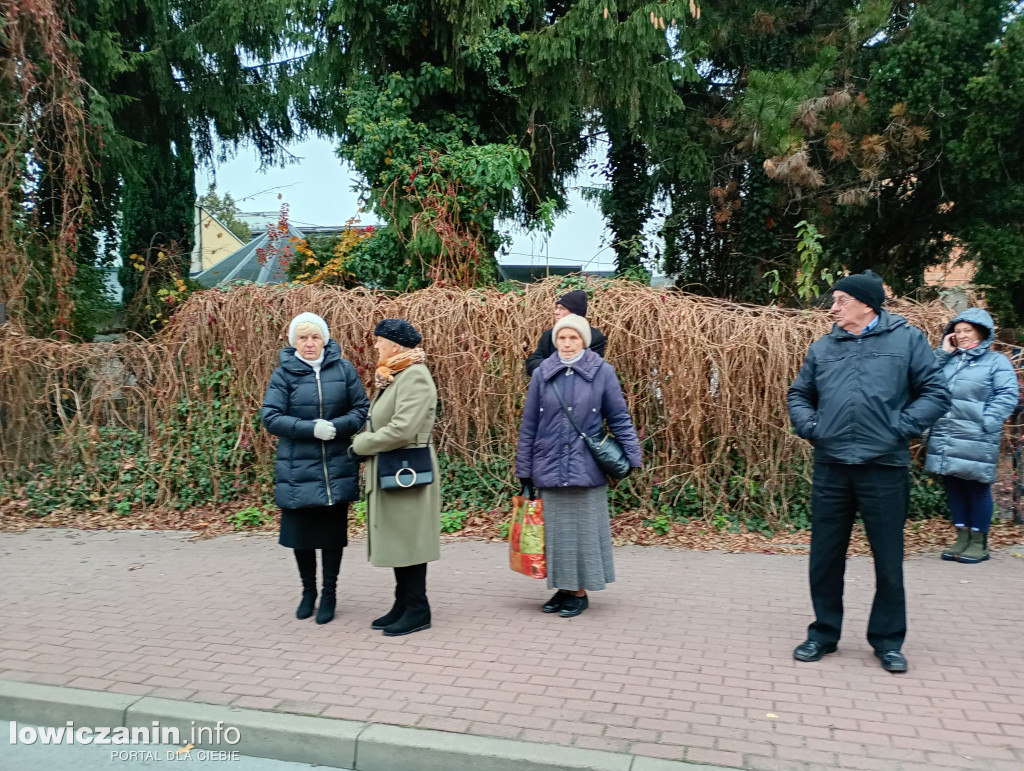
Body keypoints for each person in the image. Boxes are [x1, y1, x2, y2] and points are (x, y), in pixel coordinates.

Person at [787, 271, 950, 673]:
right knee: (825, 557)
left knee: (888, 558)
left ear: (867, 304)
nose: (833, 308)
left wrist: (900, 428)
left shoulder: (906, 341)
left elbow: (936, 392)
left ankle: (888, 641)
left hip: (884, 466)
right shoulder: (825, 346)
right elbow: (799, 394)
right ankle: (823, 634)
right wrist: (812, 428)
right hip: (832, 465)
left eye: (841, 300)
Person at [516, 313, 642, 618]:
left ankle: (580, 592)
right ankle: (563, 588)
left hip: (586, 466)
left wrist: (632, 457)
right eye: (562, 338)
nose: (567, 343)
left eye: (573, 337)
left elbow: (620, 418)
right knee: (556, 532)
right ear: (554, 340)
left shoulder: (602, 372)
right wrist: (524, 470)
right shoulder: (542, 373)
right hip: (548, 464)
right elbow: (529, 424)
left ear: (584, 340)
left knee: (582, 531)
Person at [261, 312, 369, 625]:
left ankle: (330, 593)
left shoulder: (344, 369)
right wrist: (311, 428)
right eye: (303, 338)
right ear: (294, 342)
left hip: (335, 466)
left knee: (332, 536)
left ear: (325, 339)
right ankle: (308, 592)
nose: (309, 344)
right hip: (297, 470)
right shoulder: (284, 374)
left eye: (315, 337)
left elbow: (361, 409)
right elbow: (271, 417)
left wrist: (336, 427)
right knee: (302, 536)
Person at [350, 319, 440, 637]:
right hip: (397, 469)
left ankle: (417, 608)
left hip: (407, 471)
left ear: (396, 345)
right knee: (400, 539)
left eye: (379, 341)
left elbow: (403, 429)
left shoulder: (414, 376)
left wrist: (361, 445)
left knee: (409, 541)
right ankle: (403, 603)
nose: (375, 345)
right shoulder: (395, 373)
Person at [925, 308, 1019, 564]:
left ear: (981, 331)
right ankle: (962, 537)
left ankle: (980, 541)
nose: (962, 335)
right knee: (954, 485)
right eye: (957, 331)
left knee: (976, 486)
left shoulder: (995, 362)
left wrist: (986, 422)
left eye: (967, 330)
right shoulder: (950, 360)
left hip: (977, 434)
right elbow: (925, 381)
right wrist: (943, 352)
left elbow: (1007, 395)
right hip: (946, 434)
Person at [524, 290, 607, 377]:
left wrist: (552, 365)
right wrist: (557, 364)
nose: (556, 312)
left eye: (562, 308)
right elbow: (531, 364)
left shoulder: (595, 337)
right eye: (557, 308)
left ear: (576, 313)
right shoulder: (549, 335)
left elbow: (591, 368)